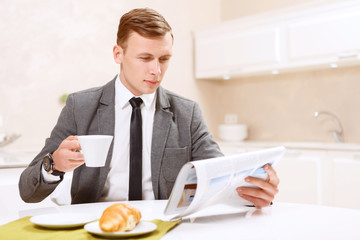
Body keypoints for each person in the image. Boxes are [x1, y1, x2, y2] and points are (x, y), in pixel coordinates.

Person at [19, 8, 279, 208]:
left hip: (163, 227)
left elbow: (219, 177)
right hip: (96, 227)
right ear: (118, 54)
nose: (156, 70)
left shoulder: (186, 113)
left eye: (164, 59)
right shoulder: (81, 106)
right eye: (145, 58)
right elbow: (27, 191)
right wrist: (53, 166)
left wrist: (253, 193)